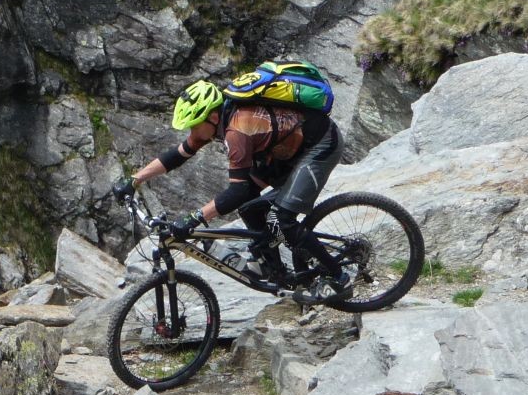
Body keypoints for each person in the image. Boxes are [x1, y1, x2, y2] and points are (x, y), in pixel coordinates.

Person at [111, 78, 352, 301]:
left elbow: (237, 191)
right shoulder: (219, 118)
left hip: (319, 144)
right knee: (249, 208)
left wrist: (195, 217)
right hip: (284, 150)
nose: (192, 132)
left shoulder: (237, 131)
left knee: (283, 219)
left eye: (194, 126)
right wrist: (135, 180)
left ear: (213, 117)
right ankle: (278, 272)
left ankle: (339, 277)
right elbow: (179, 154)